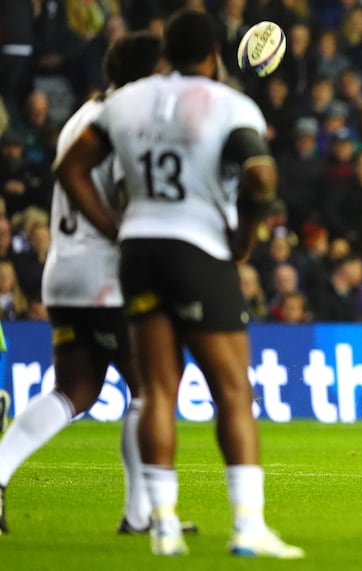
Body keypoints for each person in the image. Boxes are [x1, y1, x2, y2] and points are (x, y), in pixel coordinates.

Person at [54, 10, 303, 558]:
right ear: (214, 54)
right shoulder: (230, 104)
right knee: (232, 390)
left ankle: (163, 525)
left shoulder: (124, 102)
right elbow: (260, 176)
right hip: (198, 250)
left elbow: (70, 169)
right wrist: (246, 231)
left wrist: (113, 228)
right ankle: (248, 525)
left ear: (165, 54)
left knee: (156, 391)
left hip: (138, 253)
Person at [0, 31, 198, 537]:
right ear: (147, 75)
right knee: (149, 388)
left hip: (63, 272)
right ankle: (142, 514)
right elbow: (116, 191)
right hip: (105, 273)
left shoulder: (83, 117)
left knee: (76, 388)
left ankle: (2, 470)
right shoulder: (124, 123)